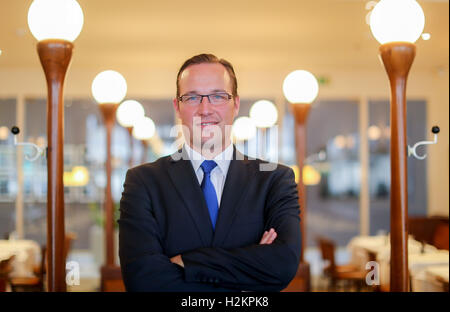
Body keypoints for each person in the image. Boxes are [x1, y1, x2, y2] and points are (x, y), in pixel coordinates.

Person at [118, 54, 301, 292]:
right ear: (178, 107)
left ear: (235, 104)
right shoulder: (143, 182)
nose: (205, 109)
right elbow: (142, 280)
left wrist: (187, 262)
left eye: (217, 96)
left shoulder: (275, 180)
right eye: (192, 97)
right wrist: (250, 274)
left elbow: (282, 264)